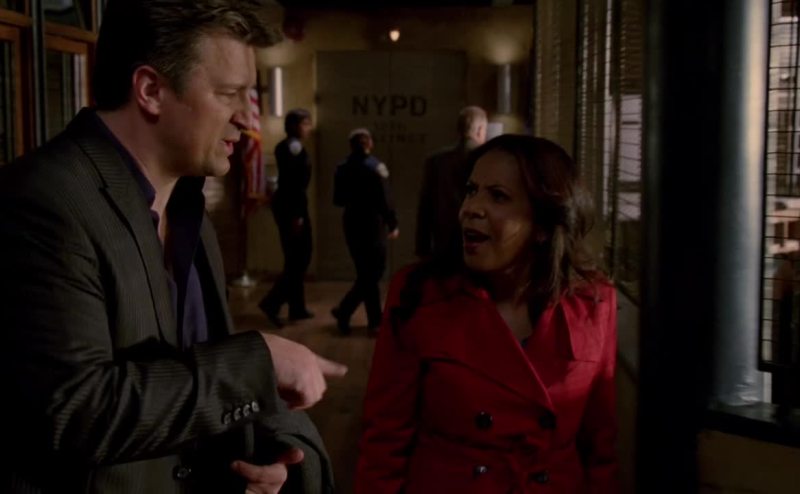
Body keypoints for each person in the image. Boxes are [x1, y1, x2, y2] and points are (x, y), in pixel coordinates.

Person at [0, 1, 347, 492]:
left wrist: (279, 456)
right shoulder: (43, 201)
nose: (246, 121)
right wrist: (258, 364)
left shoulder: (189, 211)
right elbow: (75, 412)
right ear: (150, 90)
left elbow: (196, 379)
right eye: (228, 94)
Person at [356, 135, 618, 493]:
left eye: (497, 196)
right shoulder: (419, 294)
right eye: (471, 191)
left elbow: (600, 446)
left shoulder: (595, 302)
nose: (470, 208)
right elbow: (384, 440)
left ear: (543, 225)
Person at [331, 128, 399, 335]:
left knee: (365, 273)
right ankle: (350, 312)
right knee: (374, 272)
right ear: (370, 144)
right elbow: (385, 200)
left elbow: (338, 200)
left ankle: (369, 319)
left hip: (352, 223)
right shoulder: (376, 167)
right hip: (373, 224)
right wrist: (393, 223)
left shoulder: (342, 168)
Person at [259, 109, 314, 328]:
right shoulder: (292, 147)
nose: (308, 128)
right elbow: (294, 184)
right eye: (305, 123)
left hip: (291, 206)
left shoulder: (293, 146)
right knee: (299, 259)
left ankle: (297, 308)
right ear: (293, 126)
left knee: (296, 258)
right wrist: (297, 215)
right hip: (292, 208)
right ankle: (272, 303)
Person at [415, 105, 487, 259]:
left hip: (443, 240)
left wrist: (422, 247)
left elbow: (425, 206)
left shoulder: (436, 161)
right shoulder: (488, 159)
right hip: (478, 239)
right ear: (480, 130)